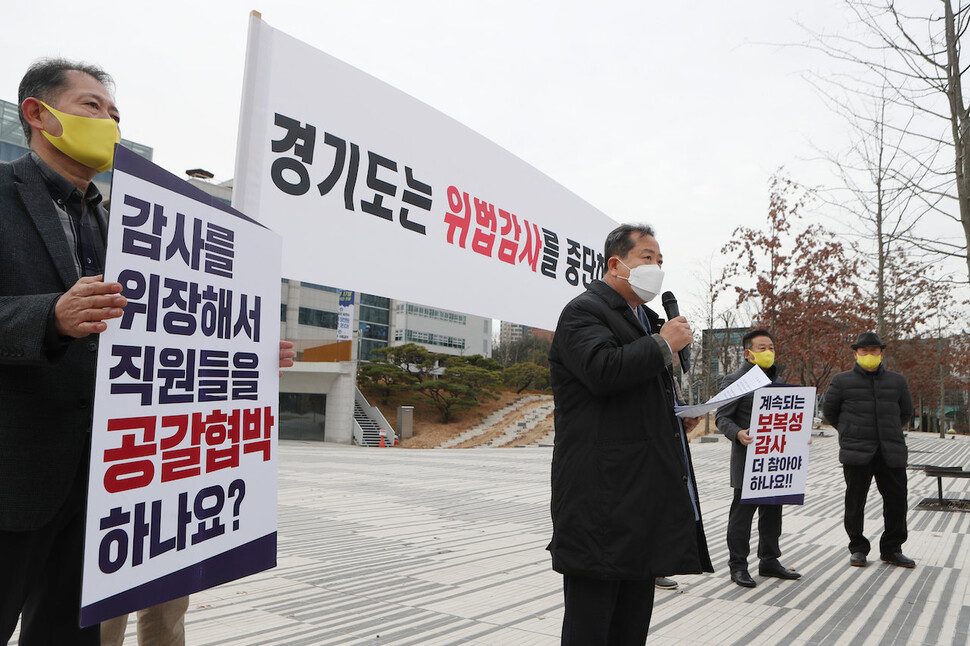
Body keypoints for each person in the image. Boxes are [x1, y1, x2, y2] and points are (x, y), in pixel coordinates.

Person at [0, 58, 297, 645]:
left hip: (109, 486)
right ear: (37, 114)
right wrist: (48, 317)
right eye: (92, 107)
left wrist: (241, 350)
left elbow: (166, 332)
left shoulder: (131, 229)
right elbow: (54, 318)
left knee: (68, 635)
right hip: (15, 474)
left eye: (116, 114)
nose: (109, 124)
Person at [548, 223, 712, 645]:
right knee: (592, 626)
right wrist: (663, 344)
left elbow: (634, 396)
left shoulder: (644, 320)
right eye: (647, 257)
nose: (656, 267)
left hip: (640, 502)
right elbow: (602, 372)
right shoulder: (583, 312)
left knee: (630, 626)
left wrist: (676, 416)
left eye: (660, 260)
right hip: (600, 500)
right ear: (616, 264)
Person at [822, 332, 915, 569]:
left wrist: (889, 431)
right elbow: (829, 412)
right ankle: (858, 548)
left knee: (896, 502)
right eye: (864, 351)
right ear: (855, 354)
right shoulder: (841, 381)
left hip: (890, 451)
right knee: (855, 502)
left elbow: (905, 413)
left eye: (874, 351)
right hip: (857, 451)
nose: (869, 355)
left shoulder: (897, 381)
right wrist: (848, 430)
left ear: (881, 353)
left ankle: (892, 549)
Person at [715, 329, 801, 588]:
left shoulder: (778, 382)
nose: (768, 352)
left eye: (771, 348)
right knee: (741, 517)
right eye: (762, 348)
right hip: (747, 460)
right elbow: (722, 417)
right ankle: (738, 566)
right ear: (748, 353)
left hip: (772, 461)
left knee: (772, 513)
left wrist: (798, 437)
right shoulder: (735, 380)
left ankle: (769, 560)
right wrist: (738, 433)